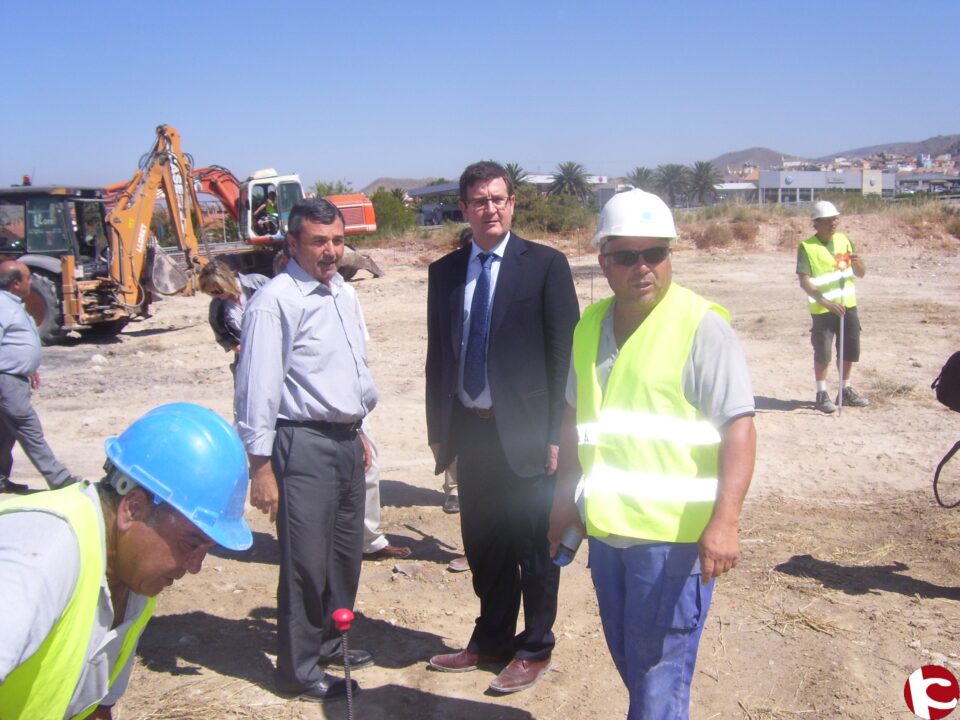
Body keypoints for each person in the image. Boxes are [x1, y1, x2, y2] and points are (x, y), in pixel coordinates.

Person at [548, 189, 756, 720]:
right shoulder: (589, 326)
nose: (643, 267)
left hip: (673, 545)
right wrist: (563, 501)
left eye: (655, 253)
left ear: (670, 256)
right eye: (626, 256)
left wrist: (725, 522)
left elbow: (739, 427)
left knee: (660, 676)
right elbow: (576, 422)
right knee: (634, 664)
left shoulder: (701, 326)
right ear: (604, 262)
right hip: (610, 534)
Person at [425, 161, 579, 693]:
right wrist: (438, 429)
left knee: (534, 547)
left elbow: (566, 358)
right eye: (478, 201)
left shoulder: (546, 266)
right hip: (472, 431)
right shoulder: (444, 273)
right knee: (484, 544)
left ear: (512, 204)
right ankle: (491, 638)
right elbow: (437, 357)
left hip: (531, 435)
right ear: (463, 208)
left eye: (498, 199)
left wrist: (560, 434)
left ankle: (534, 646)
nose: (489, 209)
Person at [0, 402, 252, 720]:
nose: (195, 566)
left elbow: (96, 709)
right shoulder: (40, 553)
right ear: (133, 508)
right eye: (191, 544)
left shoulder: (134, 578)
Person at [235, 197, 378, 703]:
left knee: (344, 556)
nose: (331, 251)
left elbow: (349, 370)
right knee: (305, 564)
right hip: (302, 444)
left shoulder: (342, 294)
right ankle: (298, 670)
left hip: (344, 440)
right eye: (319, 241)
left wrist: (358, 429)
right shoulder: (276, 301)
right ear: (292, 243)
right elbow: (258, 387)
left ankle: (330, 642)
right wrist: (261, 467)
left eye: (338, 240)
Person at [0, 261, 79, 494]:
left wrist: (29, 367)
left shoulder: (12, 304)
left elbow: (13, 342)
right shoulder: (3, 306)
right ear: (15, 283)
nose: (31, 282)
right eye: (27, 278)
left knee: (4, 434)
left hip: (14, 377)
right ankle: (60, 479)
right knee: (28, 427)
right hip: (6, 381)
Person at [797, 200, 869, 414]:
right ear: (816, 223)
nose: (833, 223)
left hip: (848, 307)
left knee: (849, 349)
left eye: (835, 219)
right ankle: (822, 393)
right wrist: (826, 303)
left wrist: (857, 263)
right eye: (827, 220)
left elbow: (861, 273)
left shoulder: (845, 241)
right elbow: (804, 281)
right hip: (823, 310)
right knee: (823, 352)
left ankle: (845, 390)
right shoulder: (807, 247)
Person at [197, 260, 269, 372]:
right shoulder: (217, 306)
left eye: (218, 291)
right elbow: (221, 334)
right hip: (250, 359)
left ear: (228, 281)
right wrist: (241, 349)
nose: (216, 296)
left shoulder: (257, 283)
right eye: (210, 293)